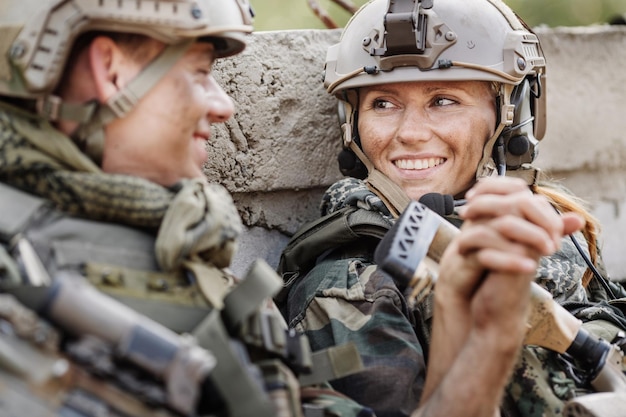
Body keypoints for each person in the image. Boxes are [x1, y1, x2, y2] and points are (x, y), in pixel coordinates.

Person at [0, 1, 370, 416]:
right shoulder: (18, 267)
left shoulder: (185, 240)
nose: (223, 106)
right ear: (111, 71)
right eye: (199, 74)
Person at [277, 0, 626, 416]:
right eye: (383, 104)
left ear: (510, 118)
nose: (410, 133)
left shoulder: (551, 229)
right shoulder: (353, 289)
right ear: (351, 124)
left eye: (443, 101)